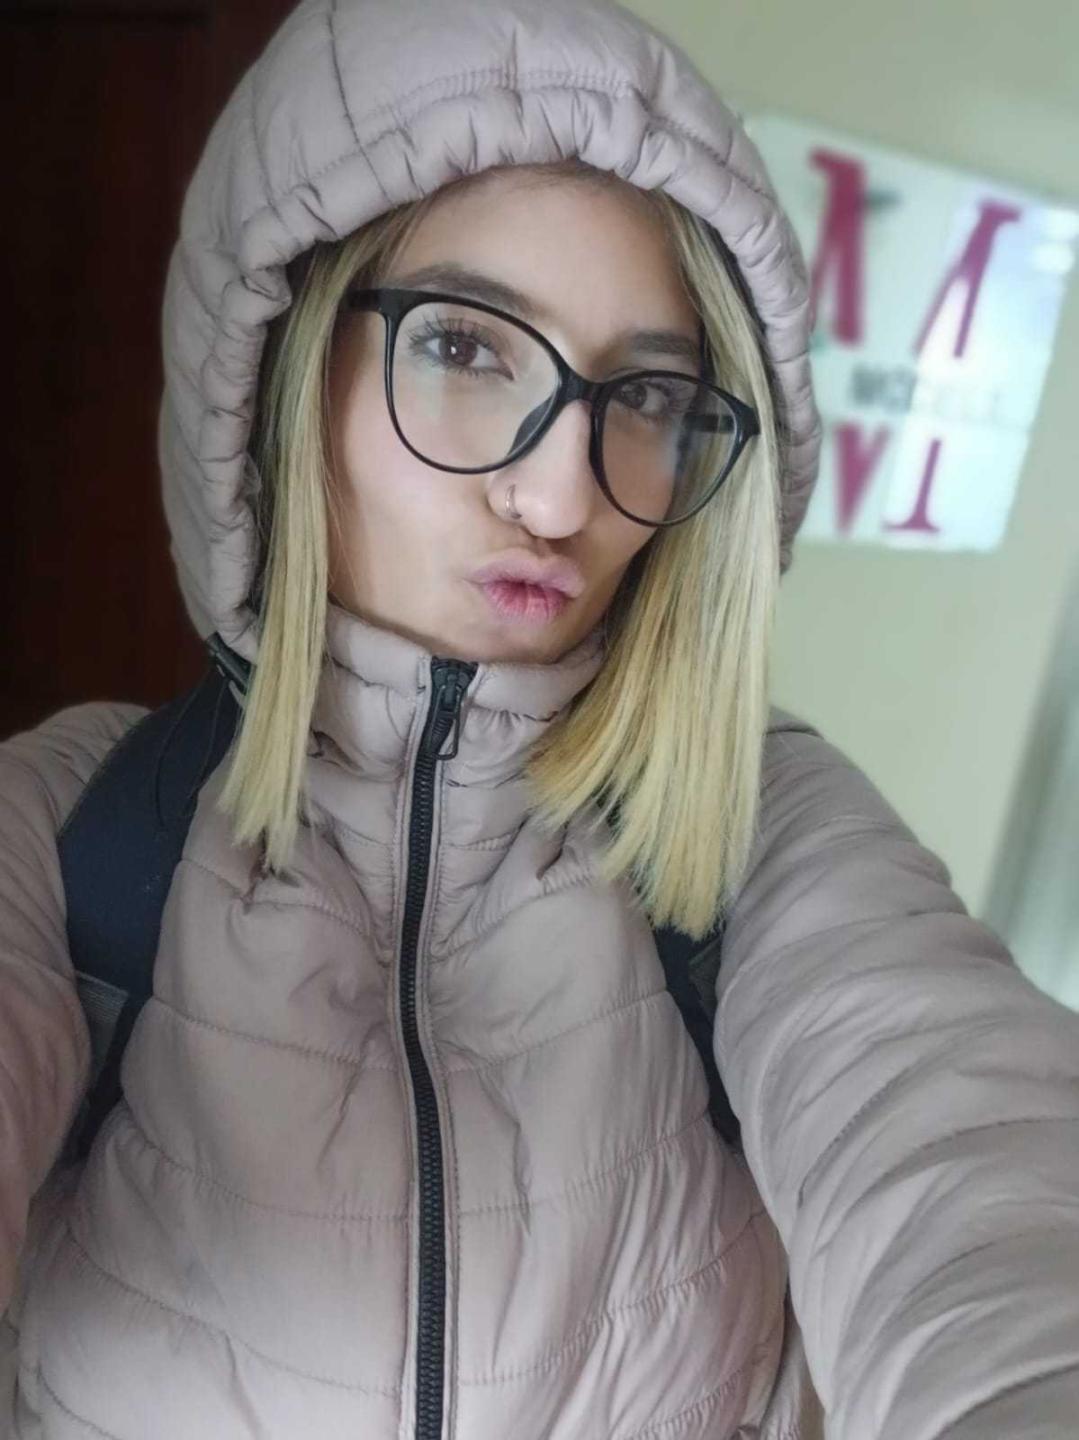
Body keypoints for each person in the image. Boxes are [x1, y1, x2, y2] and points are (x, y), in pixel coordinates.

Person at [1, 0, 1077, 1435]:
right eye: (462, 348)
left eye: (647, 394)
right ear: (279, 363)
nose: (564, 495)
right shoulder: (79, 821)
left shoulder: (754, 828)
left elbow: (965, 1149)